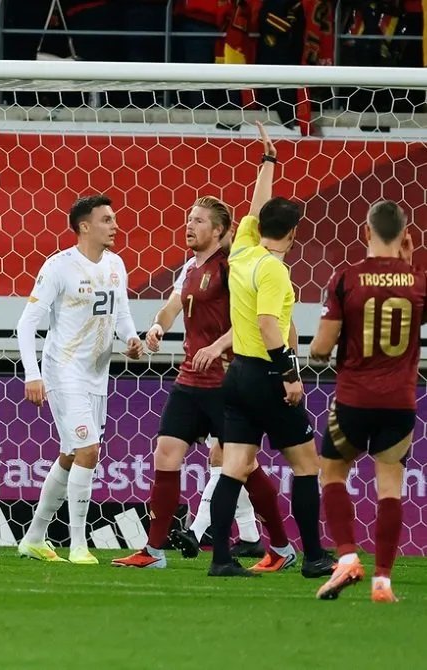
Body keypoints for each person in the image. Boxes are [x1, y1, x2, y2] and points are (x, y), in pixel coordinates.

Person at [206, 121, 333, 578]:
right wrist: (291, 374)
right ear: (295, 232)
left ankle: (221, 560)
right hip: (266, 375)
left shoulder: (242, 251)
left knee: (234, 467)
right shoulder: (275, 270)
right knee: (306, 465)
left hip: (237, 374)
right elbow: (267, 324)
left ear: (258, 227)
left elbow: (255, 207)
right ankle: (314, 557)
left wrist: (268, 161)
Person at [111, 195, 262, 569]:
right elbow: (171, 305)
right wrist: (158, 327)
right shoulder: (191, 268)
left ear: (219, 230)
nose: (189, 225)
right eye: (189, 219)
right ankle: (154, 551)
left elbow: (251, 320)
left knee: (242, 464)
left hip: (227, 380)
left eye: (198, 221)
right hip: (191, 378)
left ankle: (278, 545)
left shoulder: (232, 267)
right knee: (166, 452)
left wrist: (218, 345)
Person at [16, 194, 143, 564]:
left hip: (96, 375)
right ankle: (78, 545)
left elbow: (121, 315)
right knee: (89, 450)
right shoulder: (59, 267)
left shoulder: (116, 264)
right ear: (84, 226)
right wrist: (32, 375)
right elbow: (26, 324)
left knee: (72, 454)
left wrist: (131, 340)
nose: (115, 226)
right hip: (63, 371)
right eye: (106, 220)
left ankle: (34, 538)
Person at [310, 200, 425, 603]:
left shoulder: (347, 278)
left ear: (365, 232)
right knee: (390, 487)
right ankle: (383, 583)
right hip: (400, 401)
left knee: (332, 473)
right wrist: (408, 266)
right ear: (406, 235)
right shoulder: (418, 282)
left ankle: (346, 557)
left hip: (354, 398)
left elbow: (320, 349)